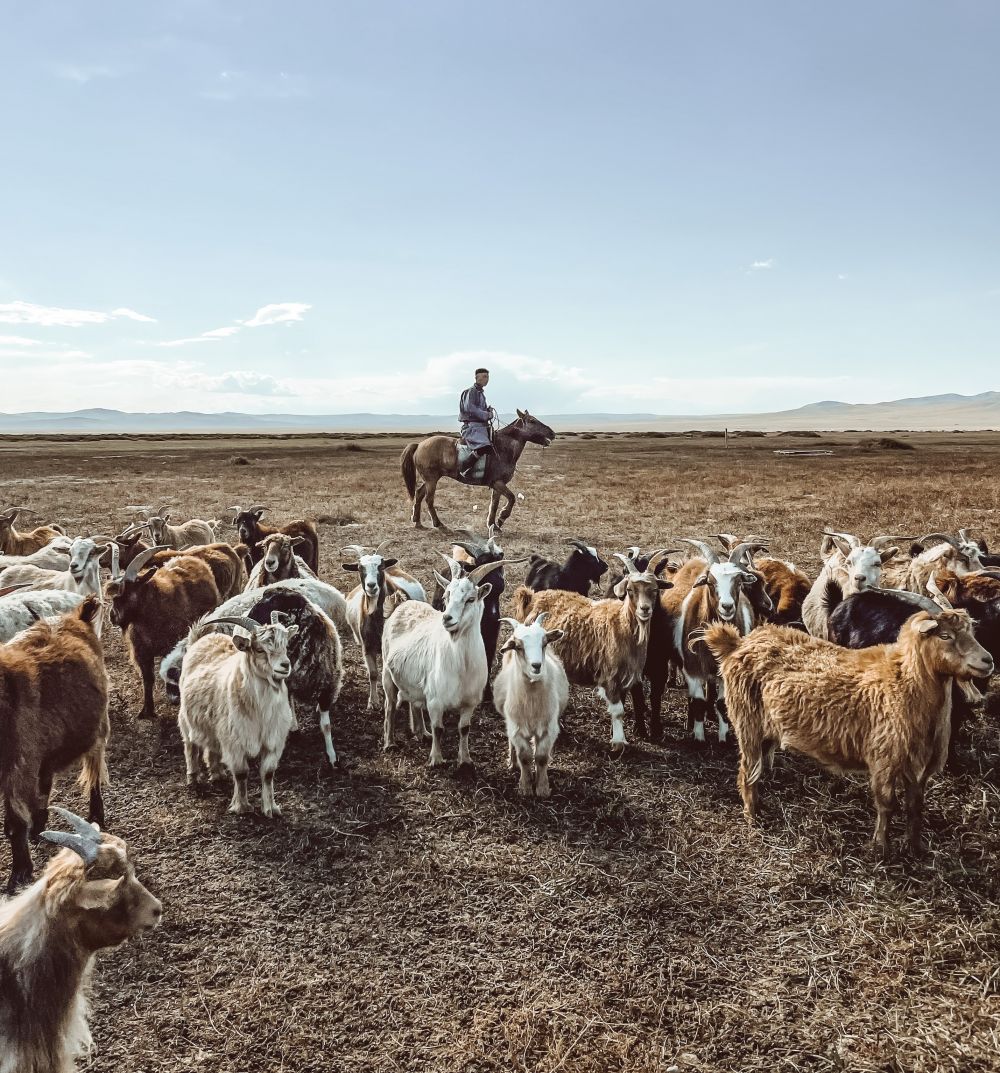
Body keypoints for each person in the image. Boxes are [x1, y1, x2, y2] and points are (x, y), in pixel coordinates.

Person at [458, 367, 495, 477]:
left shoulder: (481, 393)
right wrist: (487, 414)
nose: (486, 379)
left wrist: (488, 411)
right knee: (485, 446)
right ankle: (464, 468)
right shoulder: (471, 391)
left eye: (487, 377)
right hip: (472, 428)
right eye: (484, 376)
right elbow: (471, 409)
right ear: (476, 377)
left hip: (480, 428)